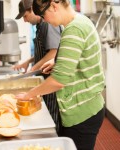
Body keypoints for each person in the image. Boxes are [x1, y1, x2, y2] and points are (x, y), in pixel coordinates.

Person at [15, 0, 105, 149]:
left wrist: (28, 95)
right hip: (88, 107)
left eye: (44, 16)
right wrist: (57, 63)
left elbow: (58, 81)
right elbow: (79, 59)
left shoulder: (74, 29)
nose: (45, 21)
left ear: (54, 7)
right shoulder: (81, 21)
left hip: (81, 113)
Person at [14, 0, 62, 134]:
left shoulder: (48, 25)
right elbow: (43, 52)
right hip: (44, 79)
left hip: (52, 80)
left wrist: (33, 68)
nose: (24, 20)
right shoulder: (40, 26)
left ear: (33, 10)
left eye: (25, 16)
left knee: (52, 118)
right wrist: (28, 62)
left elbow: (53, 52)